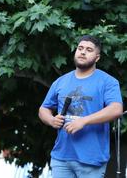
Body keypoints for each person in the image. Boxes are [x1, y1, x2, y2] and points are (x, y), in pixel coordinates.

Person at [38, 35, 123, 178]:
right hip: (61, 157)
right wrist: (51, 120)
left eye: (89, 50)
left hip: (91, 159)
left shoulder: (108, 81)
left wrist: (84, 121)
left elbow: (116, 109)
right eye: (80, 48)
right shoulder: (60, 81)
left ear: (97, 57)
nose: (83, 52)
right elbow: (43, 109)